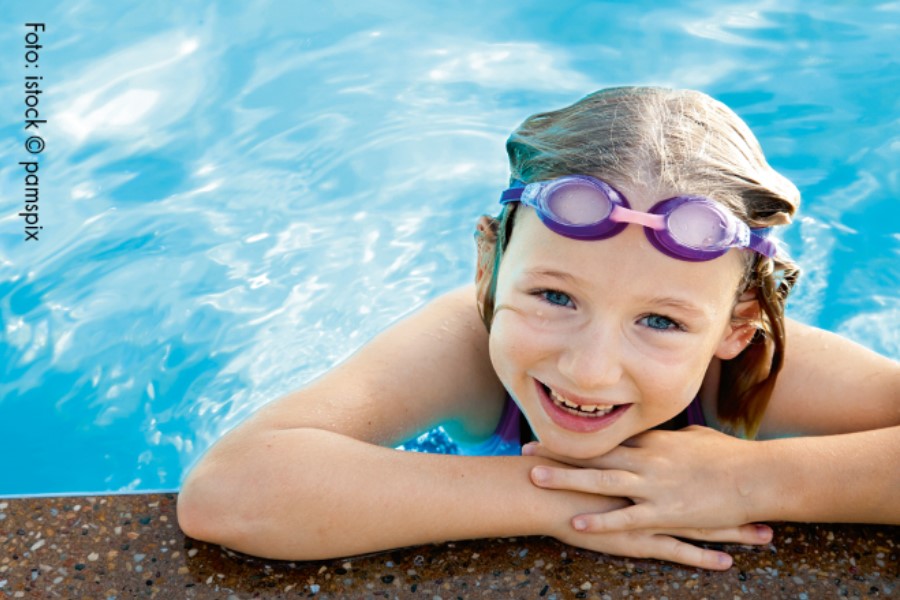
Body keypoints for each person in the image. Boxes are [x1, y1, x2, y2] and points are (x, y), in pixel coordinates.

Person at [176, 87, 900, 571]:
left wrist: (755, 480)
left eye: (659, 320)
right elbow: (232, 490)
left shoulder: (754, 370)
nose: (589, 370)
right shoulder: (465, 345)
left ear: (736, 325)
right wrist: (560, 496)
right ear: (488, 268)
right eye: (555, 296)